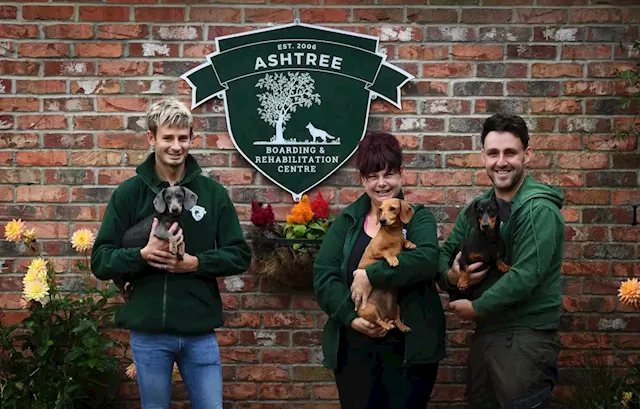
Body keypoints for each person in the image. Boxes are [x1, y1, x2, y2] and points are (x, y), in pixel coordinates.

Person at [91, 98, 252, 409]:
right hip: (149, 332)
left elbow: (239, 255)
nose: (176, 146)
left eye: (182, 138)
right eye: (167, 137)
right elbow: (101, 260)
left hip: (198, 330)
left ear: (192, 139)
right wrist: (142, 255)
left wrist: (196, 263)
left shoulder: (213, 195)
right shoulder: (128, 194)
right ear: (152, 138)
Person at [313, 132, 447, 409]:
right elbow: (324, 277)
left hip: (409, 351)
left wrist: (370, 274)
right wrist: (351, 318)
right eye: (373, 176)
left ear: (401, 175)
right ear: (362, 180)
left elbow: (425, 260)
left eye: (389, 174)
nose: (382, 183)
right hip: (356, 351)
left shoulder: (417, 217)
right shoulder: (347, 222)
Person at [440, 113, 565, 409]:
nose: (501, 161)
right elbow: (443, 255)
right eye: (493, 153)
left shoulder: (538, 209)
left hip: (524, 339)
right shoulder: (478, 208)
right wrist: (452, 276)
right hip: (488, 334)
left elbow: (525, 276)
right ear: (482, 156)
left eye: (510, 152)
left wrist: (475, 307)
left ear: (527, 155)